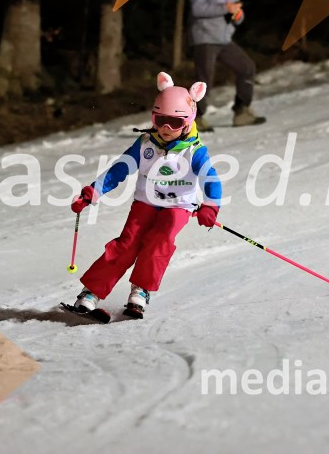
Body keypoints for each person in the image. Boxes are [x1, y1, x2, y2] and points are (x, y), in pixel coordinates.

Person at [68, 72, 222, 319]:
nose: (166, 128)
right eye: (160, 119)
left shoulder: (194, 151)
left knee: (159, 240)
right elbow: (120, 169)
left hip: (178, 207)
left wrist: (211, 206)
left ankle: (140, 291)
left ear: (189, 120)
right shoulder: (145, 144)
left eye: (175, 122)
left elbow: (211, 180)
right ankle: (90, 293)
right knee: (126, 244)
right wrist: (93, 191)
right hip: (145, 203)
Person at [189, 0, 265, 132]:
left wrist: (238, 16)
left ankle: (242, 112)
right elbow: (198, 9)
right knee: (204, 78)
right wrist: (225, 8)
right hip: (205, 37)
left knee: (247, 68)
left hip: (224, 38)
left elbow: (235, 10)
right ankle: (194, 119)